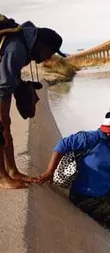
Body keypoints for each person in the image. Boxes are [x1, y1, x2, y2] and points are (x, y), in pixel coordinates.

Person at [37, 105, 110, 232]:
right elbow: (62, 145)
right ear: (109, 134)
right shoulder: (90, 139)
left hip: (108, 188)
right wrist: (50, 171)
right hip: (86, 196)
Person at [0, 19, 66, 189]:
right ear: (41, 45)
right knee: (1, 125)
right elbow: (3, 87)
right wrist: (3, 118)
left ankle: (12, 171)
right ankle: (2, 177)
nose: (49, 57)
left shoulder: (24, 43)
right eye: (50, 52)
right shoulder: (17, 49)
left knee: (5, 125)